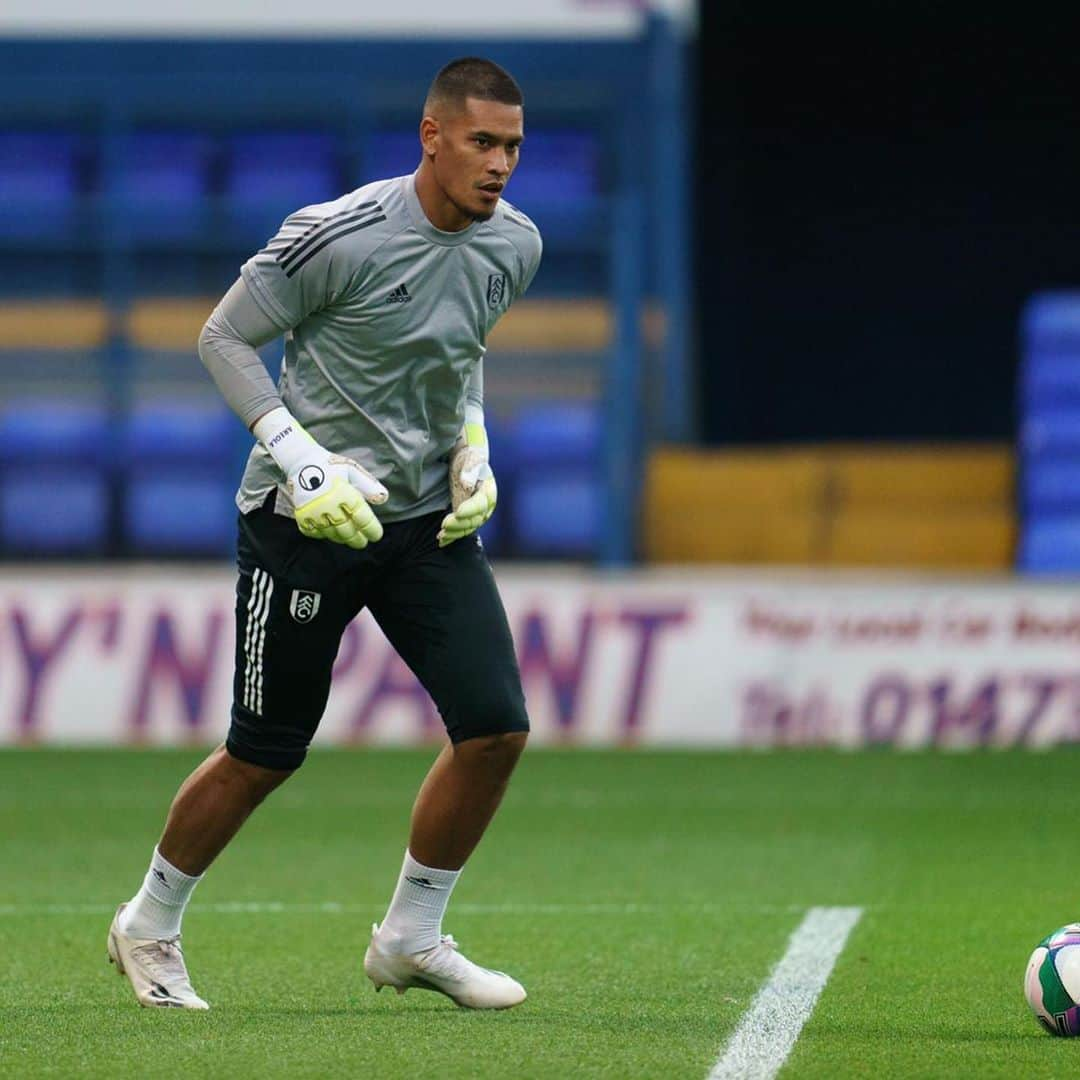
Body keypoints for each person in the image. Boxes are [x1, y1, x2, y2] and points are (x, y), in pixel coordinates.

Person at [106, 56, 541, 1012]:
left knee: (496, 725)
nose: (500, 163)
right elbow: (222, 339)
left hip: (424, 520)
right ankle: (148, 922)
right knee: (265, 751)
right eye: (482, 142)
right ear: (433, 138)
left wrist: (473, 445)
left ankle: (411, 937)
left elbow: (458, 359)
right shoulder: (335, 236)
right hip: (303, 521)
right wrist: (300, 460)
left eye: (512, 145)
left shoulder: (515, 245)